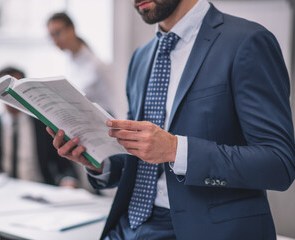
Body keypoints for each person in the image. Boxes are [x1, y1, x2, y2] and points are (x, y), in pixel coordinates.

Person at [47, 0, 295, 239]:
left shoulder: (246, 42)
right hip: (128, 225)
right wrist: (96, 160)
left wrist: (177, 150)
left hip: (205, 230)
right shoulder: (141, 58)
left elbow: (279, 164)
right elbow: (138, 159)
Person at [0, 66, 78, 187]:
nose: (10, 94)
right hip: (2, 190)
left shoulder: (45, 125)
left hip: (41, 188)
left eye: (15, 88)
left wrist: (69, 181)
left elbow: (65, 165)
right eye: (3, 90)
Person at [47, 12, 113, 114]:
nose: (55, 41)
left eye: (58, 33)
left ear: (72, 29)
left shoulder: (97, 65)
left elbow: (116, 104)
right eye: (51, 36)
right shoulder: (67, 63)